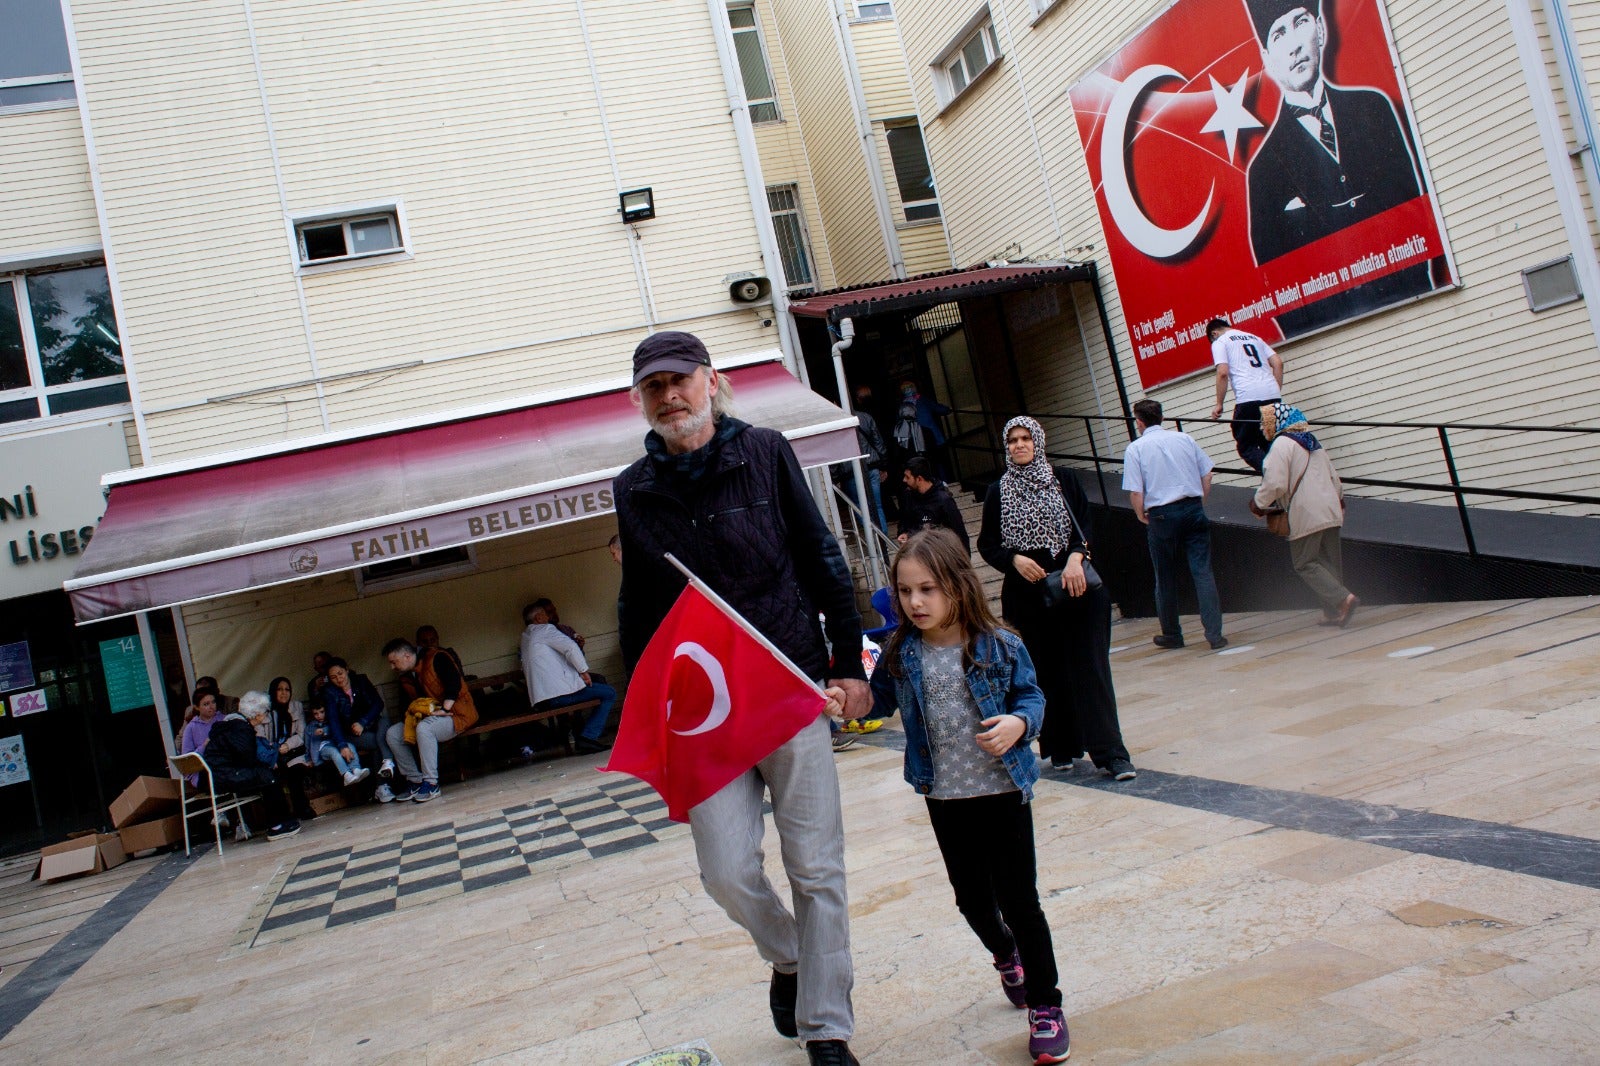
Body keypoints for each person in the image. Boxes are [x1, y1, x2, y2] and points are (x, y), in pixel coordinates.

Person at [614, 330, 868, 1066]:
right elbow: (639, 604)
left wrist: (849, 663)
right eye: (654, 386)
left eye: (680, 380)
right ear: (641, 400)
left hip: (789, 686)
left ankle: (827, 1029)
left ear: (711, 381)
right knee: (725, 870)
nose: (670, 396)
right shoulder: (632, 489)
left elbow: (822, 553)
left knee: (817, 867)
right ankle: (789, 956)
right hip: (707, 710)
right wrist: (645, 706)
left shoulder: (765, 450)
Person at [864, 530, 1071, 1064]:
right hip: (945, 796)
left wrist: (1020, 723)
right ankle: (1006, 956)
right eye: (906, 591)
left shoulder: (1000, 644)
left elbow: (1032, 695)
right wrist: (846, 698)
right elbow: (876, 701)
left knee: (1021, 900)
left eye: (927, 589)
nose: (915, 602)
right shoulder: (902, 652)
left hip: (1002, 791)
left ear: (957, 586)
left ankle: (1046, 1006)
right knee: (971, 899)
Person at [1244, 0, 1433, 334]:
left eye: (1300, 22)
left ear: (1321, 28)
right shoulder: (1263, 170)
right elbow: (1279, 284)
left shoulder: (1373, 109)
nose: (1294, 46)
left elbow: (1414, 215)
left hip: (1412, 305)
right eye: (1279, 34)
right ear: (1267, 59)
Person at [978, 416, 1136, 781]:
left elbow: (1085, 525)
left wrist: (1075, 558)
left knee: (1091, 669)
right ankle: (1061, 745)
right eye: (1013, 440)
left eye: (1025, 439)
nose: (1019, 445)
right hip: (1026, 594)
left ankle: (1111, 753)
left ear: (1038, 441)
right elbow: (987, 545)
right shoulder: (998, 491)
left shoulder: (1062, 480)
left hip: (1074, 585)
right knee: (1045, 671)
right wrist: (1013, 559)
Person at [1122, 399, 1228, 650]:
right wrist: (1199, 498)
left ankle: (1172, 633)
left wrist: (1140, 514)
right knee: (1202, 572)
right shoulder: (1185, 439)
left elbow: (1136, 491)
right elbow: (1207, 472)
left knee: (1165, 575)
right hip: (1192, 507)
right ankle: (1215, 635)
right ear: (1161, 417)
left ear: (1139, 421)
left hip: (1161, 515)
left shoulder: (1135, 449)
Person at [1251, 403, 1359, 626]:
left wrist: (1258, 504)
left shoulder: (1282, 445)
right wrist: (1339, 501)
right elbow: (1333, 475)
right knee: (1329, 563)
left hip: (1306, 512)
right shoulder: (1312, 441)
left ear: (1277, 423)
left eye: (1265, 422)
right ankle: (1333, 613)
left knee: (1304, 563)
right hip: (1330, 508)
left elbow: (1275, 483)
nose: (1262, 428)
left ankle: (1344, 599)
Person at [382, 637, 478, 803]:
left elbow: (454, 683)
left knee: (424, 729)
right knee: (393, 734)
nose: (392, 667)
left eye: (393, 662)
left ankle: (431, 783)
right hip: (429, 718)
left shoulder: (437, 657)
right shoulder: (405, 676)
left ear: (406, 656)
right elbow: (406, 706)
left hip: (457, 714)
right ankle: (415, 780)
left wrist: (445, 709)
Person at [519, 601, 616, 754]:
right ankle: (588, 737)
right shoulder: (544, 629)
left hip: (542, 699)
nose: (548, 618)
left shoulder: (526, 637)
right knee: (609, 693)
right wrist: (583, 671)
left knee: (596, 689)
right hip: (558, 695)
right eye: (545, 614)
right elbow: (570, 647)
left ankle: (584, 735)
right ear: (538, 618)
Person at [203, 690, 301, 840]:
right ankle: (276, 826)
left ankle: (281, 821)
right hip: (225, 775)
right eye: (265, 712)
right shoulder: (241, 728)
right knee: (268, 777)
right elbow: (247, 757)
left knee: (265, 773)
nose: (265, 716)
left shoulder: (230, 723)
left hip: (219, 773)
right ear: (257, 714)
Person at [1207, 318, 1282, 474]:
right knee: (1268, 439)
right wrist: (1275, 390)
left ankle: (1275, 475)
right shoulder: (1255, 338)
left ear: (1214, 333)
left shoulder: (1220, 342)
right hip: (1272, 396)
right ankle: (1278, 478)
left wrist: (1219, 403)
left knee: (1246, 444)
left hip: (1249, 398)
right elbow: (1278, 363)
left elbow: (1222, 373)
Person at [322, 658, 393, 788]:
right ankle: (382, 786)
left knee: (386, 722)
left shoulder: (361, 680)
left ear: (347, 670)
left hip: (371, 724)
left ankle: (387, 763)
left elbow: (378, 703)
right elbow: (334, 721)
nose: (339, 679)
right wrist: (342, 745)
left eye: (340, 673)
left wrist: (363, 722)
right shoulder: (330, 692)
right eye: (333, 677)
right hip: (352, 733)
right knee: (377, 741)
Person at [263, 676, 316, 821]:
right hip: (273, 753)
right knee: (274, 775)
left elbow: (302, 734)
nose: (284, 693)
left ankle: (302, 808)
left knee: (295, 771)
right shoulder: (266, 710)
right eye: (279, 689)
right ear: (273, 691)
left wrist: (288, 745)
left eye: (287, 689)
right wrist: (276, 748)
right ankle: (284, 814)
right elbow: (262, 738)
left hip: (294, 751)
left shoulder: (296, 707)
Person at [897, 455, 969, 552]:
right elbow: (904, 522)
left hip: (938, 555)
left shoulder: (943, 500)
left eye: (907, 477)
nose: (904, 480)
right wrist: (903, 533)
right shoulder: (908, 497)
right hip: (916, 554)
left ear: (919, 479)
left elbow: (958, 533)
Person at [304, 698, 370, 786]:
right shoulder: (310, 727)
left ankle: (356, 769)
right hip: (323, 748)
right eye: (316, 713)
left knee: (349, 746)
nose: (319, 716)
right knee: (334, 752)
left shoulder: (331, 721)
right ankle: (346, 775)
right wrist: (308, 759)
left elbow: (335, 731)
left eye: (322, 712)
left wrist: (325, 731)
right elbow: (307, 744)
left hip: (335, 744)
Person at [179, 687, 223, 787]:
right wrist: (204, 745)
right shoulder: (191, 728)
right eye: (206, 704)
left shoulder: (224, 719)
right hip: (204, 773)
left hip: (225, 766)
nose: (211, 707)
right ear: (197, 707)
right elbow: (187, 762)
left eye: (213, 702)